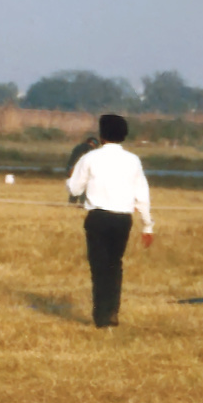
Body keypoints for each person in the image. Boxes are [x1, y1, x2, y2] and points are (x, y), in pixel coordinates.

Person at [66, 114, 153, 329]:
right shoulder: (133, 160)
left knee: (99, 267)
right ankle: (112, 311)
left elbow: (74, 188)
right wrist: (148, 225)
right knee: (115, 265)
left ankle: (101, 316)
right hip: (123, 218)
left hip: (98, 217)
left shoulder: (90, 158)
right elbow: (142, 194)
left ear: (101, 135)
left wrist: (70, 180)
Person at [66, 135, 99, 204]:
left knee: (75, 186)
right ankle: (82, 203)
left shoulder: (78, 147)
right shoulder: (89, 149)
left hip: (73, 168)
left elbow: (72, 159)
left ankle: (72, 202)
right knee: (85, 187)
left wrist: (70, 168)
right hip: (82, 169)